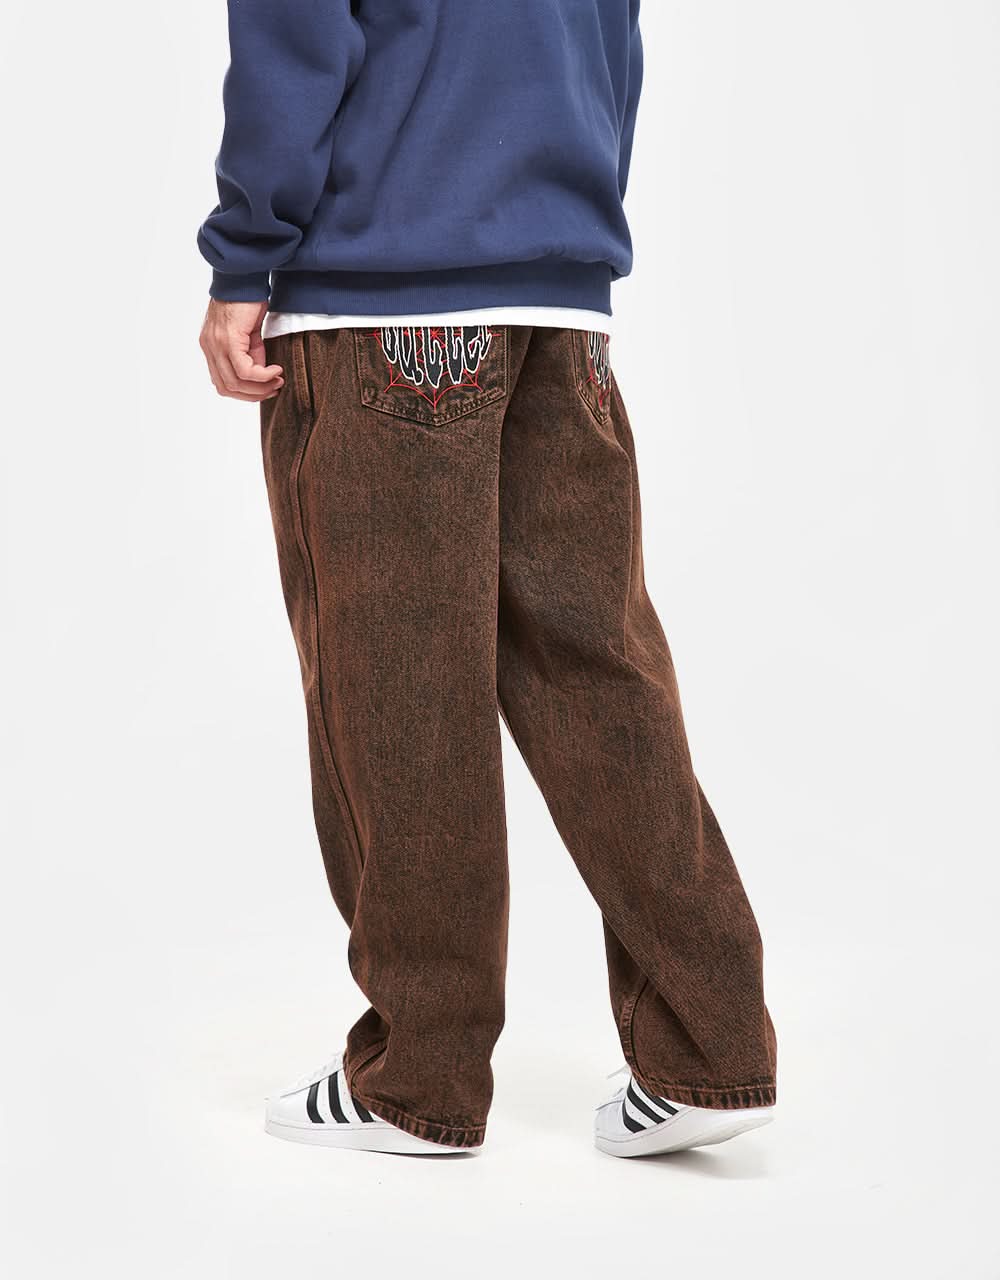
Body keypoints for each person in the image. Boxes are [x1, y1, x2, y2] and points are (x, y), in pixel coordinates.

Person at [198, 0, 776, 1158]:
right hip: (558, 288)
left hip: (381, 278)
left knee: (396, 680)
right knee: (595, 670)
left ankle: (419, 1074)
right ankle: (712, 1048)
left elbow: (295, 29)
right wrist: (570, 212)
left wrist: (245, 254)